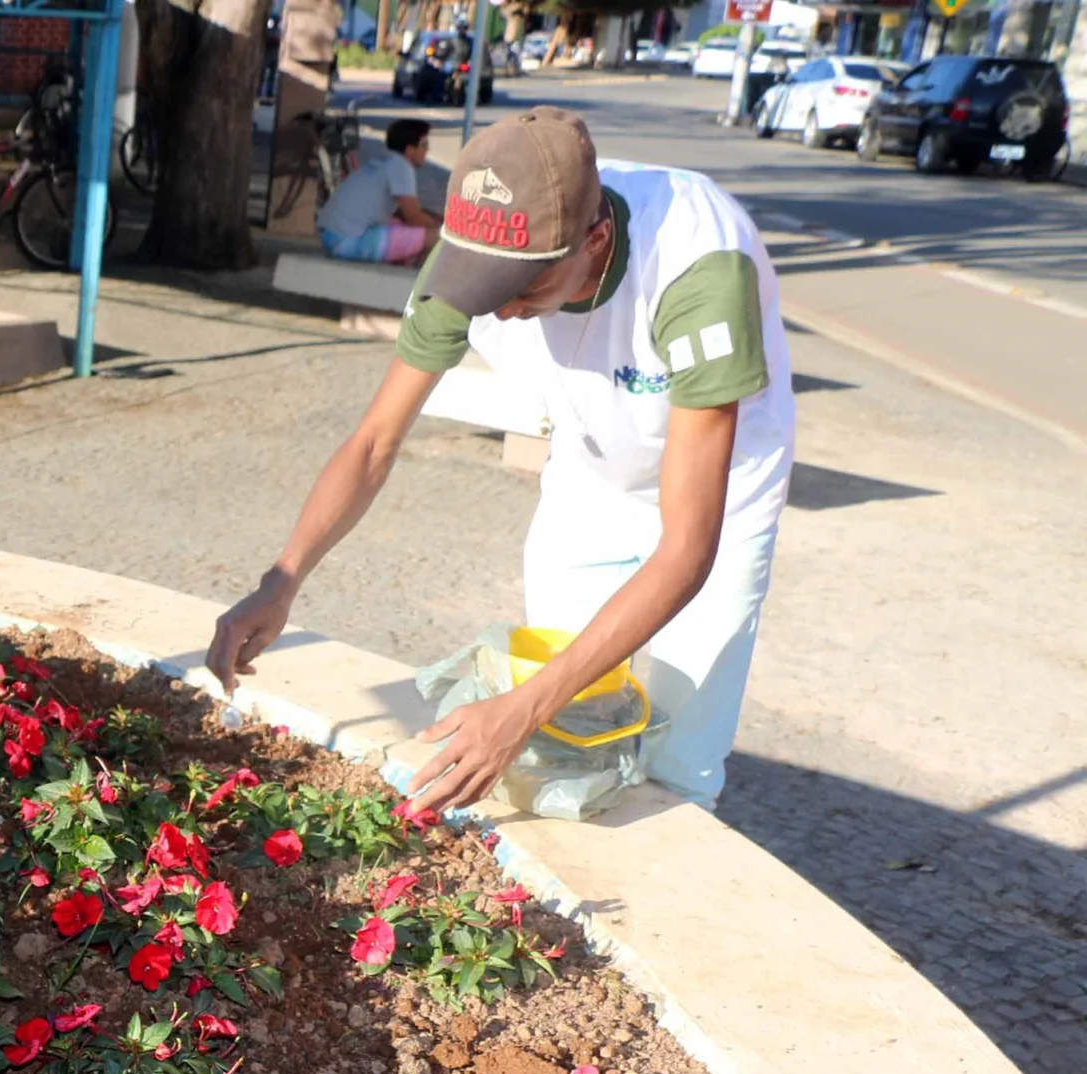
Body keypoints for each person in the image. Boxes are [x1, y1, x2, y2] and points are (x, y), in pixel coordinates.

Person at [209, 106, 794, 812]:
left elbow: (687, 551)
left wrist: (520, 711)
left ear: (595, 238)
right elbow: (374, 442)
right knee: (569, 738)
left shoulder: (698, 269)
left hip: (721, 494)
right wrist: (284, 578)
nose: (503, 309)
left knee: (677, 764)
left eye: (525, 288)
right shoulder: (472, 257)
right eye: (486, 287)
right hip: (590, 471)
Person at [318, 117, 442, 265]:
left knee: (403, 228)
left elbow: (404, 212)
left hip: (333, 238)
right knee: (438, 238)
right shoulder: (401, 167)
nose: (427, 150)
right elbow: (414, 217)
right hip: (348, 242)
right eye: (424, 144)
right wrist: (446, 228)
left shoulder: (386, 162)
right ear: (409, 150)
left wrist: (437, 218)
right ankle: (417, 285)